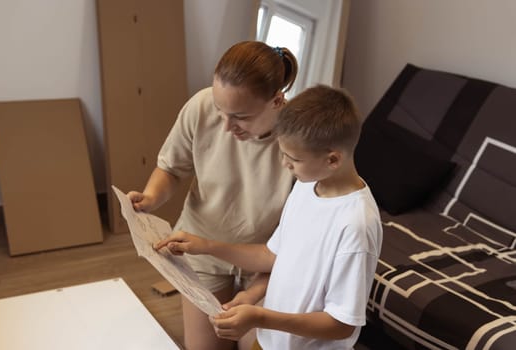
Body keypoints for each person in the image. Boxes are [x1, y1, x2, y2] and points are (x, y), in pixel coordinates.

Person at [154, 85, 383, 350]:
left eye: (292, 158)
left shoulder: (356, 224)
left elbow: (342, 324)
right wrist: (206, 247)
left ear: (332, 159)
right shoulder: (308, 185)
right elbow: (272, 256)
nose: (285, 164)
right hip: (269, 341)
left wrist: (261, 316)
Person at [127, 41, 298, 350]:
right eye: (220, 111)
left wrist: (253, 294)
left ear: (276, 101)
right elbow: (171, 168)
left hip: (264, 262)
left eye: (241, 116)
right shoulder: (201, 106)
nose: (227, 125)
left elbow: (297, 247)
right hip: (199, 248)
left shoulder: (299, 140)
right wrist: (151, 198)